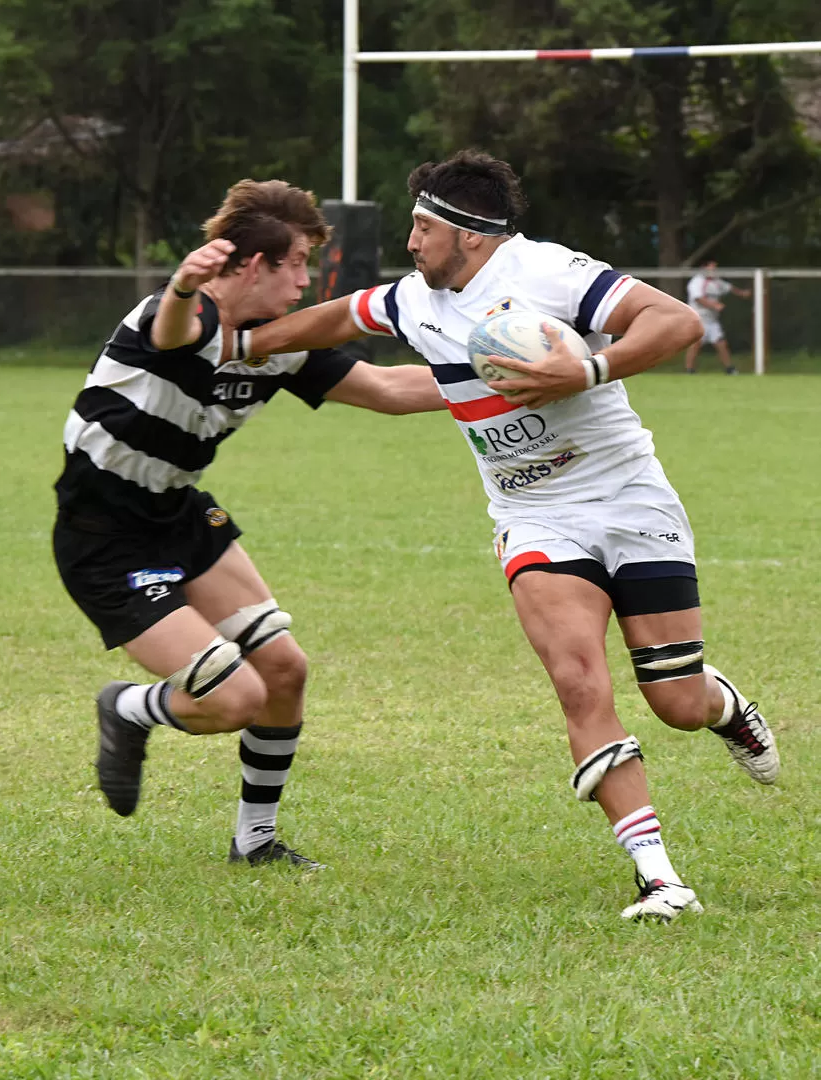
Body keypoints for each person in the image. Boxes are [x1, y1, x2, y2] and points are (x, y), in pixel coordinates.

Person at [235, 150, 781, 921]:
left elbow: (677, 321)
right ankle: (660, 878)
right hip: (534, 517)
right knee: (579, 680)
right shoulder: (413, 302)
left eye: (425, 227)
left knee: (676, 700)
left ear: (473, 236)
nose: (413, 241)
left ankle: (726, 708)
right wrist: (244, 342)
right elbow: (339, 316)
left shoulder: (549, 273)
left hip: (629, 499)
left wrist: (583, 371)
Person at [52, 178, 444, 869]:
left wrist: (502, 374)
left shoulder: (280, 342)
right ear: (254, 266)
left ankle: (254, 843)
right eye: (294, 264)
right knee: (236, 698)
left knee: (284, 670)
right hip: (104, 535)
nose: (303, 282)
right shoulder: (174, 315)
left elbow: (388, 390)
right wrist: (179, 287)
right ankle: (130, 708)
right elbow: (178, 332)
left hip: (179, 510)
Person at [685, 260, 751, 374]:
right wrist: (714, 306)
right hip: (699, 319)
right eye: (712, 267)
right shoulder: (696, 281)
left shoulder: (716, 282)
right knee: (696, 345)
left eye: (715, 268)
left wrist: (742, 293)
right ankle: (689, 369)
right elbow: (698, 298)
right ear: (704, 268)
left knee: (721, 343)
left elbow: (729, 288)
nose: (714, 270)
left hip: (712, 320)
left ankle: (729, 369)